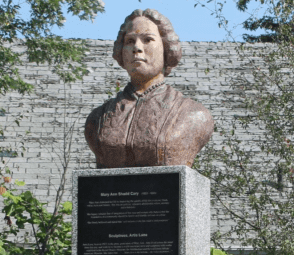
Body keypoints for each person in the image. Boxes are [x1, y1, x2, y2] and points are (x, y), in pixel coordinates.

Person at [85, 9, 214, 169]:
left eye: (147, 39)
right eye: (130, 41)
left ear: (166, 48)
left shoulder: (194, 115)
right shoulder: (97, 119)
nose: (137, 48)